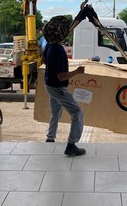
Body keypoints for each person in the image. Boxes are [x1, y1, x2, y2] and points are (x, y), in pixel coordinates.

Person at [42, 16, 86, 156]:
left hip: (49, 84)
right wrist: (77, 72)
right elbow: (61, 76)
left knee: (55, 112)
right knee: (77, 112)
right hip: (57, 87)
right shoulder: (59, 50)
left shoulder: (49, 45)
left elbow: (43, 60)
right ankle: (72, 144)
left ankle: (50, 138)